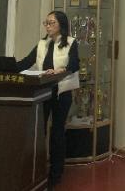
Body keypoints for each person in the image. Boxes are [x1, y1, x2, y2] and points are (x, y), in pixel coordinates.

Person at [17, 10, 79, 187]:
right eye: (46, 23)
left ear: (61, 25)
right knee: (39, 131)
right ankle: (38, 171)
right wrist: (6, 67)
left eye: (52, 23)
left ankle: (56, 173)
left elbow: (74, 64)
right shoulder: (42, 44)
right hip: (42, 93)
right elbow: (26, 62)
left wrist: (60, 70)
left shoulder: (71, 42)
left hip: (61, 93)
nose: (48, 26)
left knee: (57, 132)